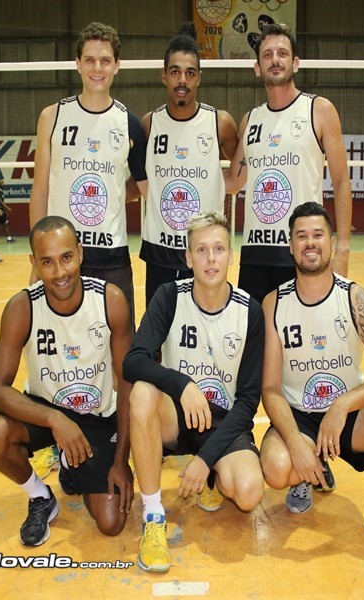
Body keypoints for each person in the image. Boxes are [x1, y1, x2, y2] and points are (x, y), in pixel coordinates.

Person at [259, 202, 364, 559]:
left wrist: (343, 405)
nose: (310, 243)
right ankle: (308, 474)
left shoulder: (353, 298)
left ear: (331, 243)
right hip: (300, 416)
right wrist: (295, 442)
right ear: (291, 245)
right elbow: (269, 389)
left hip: (349, 418)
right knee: (276, 468)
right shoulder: (274, 304)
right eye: (302, 236)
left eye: (318, 235)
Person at [123, 211, 265, 573]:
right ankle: (153, 516)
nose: (211, 258)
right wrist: (182, 384)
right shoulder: (170, 297)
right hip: (177, 415)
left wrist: (205, 459)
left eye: (219, 249)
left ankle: (212, 472)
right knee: (142, 393)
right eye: (201, 250)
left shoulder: (250, 311)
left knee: (249, 492)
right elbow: (133, 361)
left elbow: (249, 399)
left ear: (231, 255)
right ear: (188, 258)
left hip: (222, 422)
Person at [0, 215, 134, 546]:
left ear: (80, 252)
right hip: (44, 413)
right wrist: (55, 420)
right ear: (34, 263)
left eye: (66, 257)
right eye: (47, 262)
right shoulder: (22, 308)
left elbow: (127, 384)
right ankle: (40, 497)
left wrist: (121, 459)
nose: (59, 272)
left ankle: (71, 462)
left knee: (111, 522)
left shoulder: (110, 301)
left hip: (96, 418)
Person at [30, 21, 148, 328]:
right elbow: (40, 190)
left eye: (105, 60)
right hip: (61, 258)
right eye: (90, 60)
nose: (98, 68)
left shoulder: (130, 124)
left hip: (112, 256)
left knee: (120, 347)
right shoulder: (52, 117)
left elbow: (144, 187)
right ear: (78, 64)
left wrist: (113, 196)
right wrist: (38, 256)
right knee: (62, 343)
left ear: (117, 65)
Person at [224, 22, 352, 302]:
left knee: (302, 329)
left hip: (302, 252)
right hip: (256, 252)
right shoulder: (250, 120)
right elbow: (233, 181)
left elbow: (342, 182)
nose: (275, 60)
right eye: (267, 55)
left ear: (295, 63)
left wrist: (342, 247)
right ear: (257, 67)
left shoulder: (319, 110)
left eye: (282, 53)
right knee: (256, 330)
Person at [139, 23, 238, 308]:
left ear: (199, 78)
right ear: (164, 75)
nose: (182, 80)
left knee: (207, 324)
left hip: (204, 252)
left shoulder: (219, 122)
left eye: (190, 73)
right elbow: (140, 179)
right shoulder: (149, 124)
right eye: (175, 72)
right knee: (160, 329)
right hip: (160, 250)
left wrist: (217, 183)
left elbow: (240, 175)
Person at [0, 178, 14, 243]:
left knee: (6, 224)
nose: (3, 184)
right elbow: (0, 201)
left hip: (2, 211)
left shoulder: (1, 191)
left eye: (3, 182)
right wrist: (7, 208)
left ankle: (9, 239)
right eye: (1, 183)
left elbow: (2, 202)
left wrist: (5, 211)